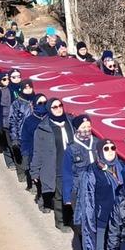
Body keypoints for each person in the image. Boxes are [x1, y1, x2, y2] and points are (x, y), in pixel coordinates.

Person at [75, 138, 124, 250]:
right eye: (106, 148)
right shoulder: (92, 171)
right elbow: (85, 197)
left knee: (116, 247)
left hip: (119, 218)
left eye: (112, 148)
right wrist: (81, 219)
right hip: (102, 217)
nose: (110, 151)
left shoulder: (120, 167)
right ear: (100, 151)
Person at [30, 98, 75, 231]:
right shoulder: (43, 128)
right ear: (49, 109)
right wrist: (34, 171)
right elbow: (37, 151)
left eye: (60, 105)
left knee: (73, 193)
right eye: (54, 107)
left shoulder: (70, 122)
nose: (59, 108)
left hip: (73, 165)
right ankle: (61, 222)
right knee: (60, 196)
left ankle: (73, 219)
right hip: (57, 166)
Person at [61, 115, 96, 218]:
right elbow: (67, 173)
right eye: (83, 127)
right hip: (79, 188)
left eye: (88, 127)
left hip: (96, 187)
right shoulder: (71, 148)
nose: (87, 129)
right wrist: (67, 196)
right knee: (81, 218)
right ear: (77, 129)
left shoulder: (97, 143)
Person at [20, 94, 49, 195]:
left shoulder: (50, 118)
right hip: (35, 153)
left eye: (45, 103)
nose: (43, 105)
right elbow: (25, 138)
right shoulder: (29, 120)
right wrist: (25, 153)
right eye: (40, 103)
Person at [9, 80, 36, 184]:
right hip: (23, 136)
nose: (28, 90)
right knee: (26, 160)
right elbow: (12, 121)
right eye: (26, 88)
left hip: (36, 136)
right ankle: (29, 181)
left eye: (30, 88)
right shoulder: (16, 103)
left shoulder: (37, 101)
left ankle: (35, 181)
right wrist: (14, 138)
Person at [0, 69, 23, 169]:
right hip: (9, 122)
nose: (17, 79)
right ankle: (11, 162)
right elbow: (3, 110)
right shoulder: (6, 91)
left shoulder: (23, 88)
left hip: (21, 122)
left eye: (19, 76)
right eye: (14, 77)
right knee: (10, 144)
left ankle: (21, 164)